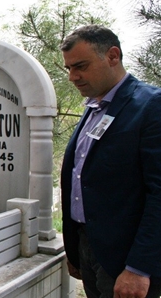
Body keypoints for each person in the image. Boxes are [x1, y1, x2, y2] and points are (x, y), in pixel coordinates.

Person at [60, 25, 161, 298]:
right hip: (88, 247)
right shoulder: (93, 108)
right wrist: (76, 250)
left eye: (80, 66)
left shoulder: (151, 106)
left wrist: (139, 267)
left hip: (125, 258)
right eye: (68, 68)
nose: (72, 77)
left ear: (113, 56)